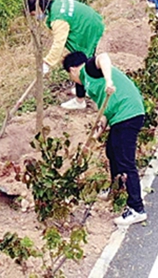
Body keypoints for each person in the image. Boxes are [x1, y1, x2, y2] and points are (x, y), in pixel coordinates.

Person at [62, 51, 147, 226]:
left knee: (125, 161)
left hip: (128, 114)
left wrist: (109, 81)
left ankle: (137, 209)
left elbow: (103, 57)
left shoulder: (88, 70)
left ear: (72, 70)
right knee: (112, 151)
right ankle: (116, 187)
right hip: (120, 116)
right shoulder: (91, 84)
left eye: (70, 76)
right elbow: (106, 111)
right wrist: (95, 135)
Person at [26, 0, 105, 109]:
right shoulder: (55, 1)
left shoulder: (58, 19)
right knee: (86, 59)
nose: (36, 18)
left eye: (34, 14)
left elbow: (59, 43)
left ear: (38, 8)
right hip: (90, 22)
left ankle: (80, 100)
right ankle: (90, 88)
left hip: (88, 29)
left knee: (77, 64)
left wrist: (47, 62)